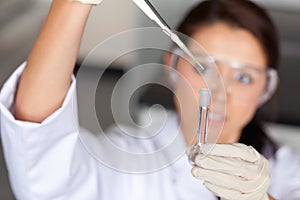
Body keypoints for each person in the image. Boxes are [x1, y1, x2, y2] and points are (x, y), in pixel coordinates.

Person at [0, 0, 299, 199]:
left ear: (266, 88)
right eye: (202, 66)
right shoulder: (130, 160)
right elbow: (40, 148)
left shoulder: (287, 172)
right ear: (172, 67)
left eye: (244, 77)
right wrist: (72, 4)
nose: (221, 92)